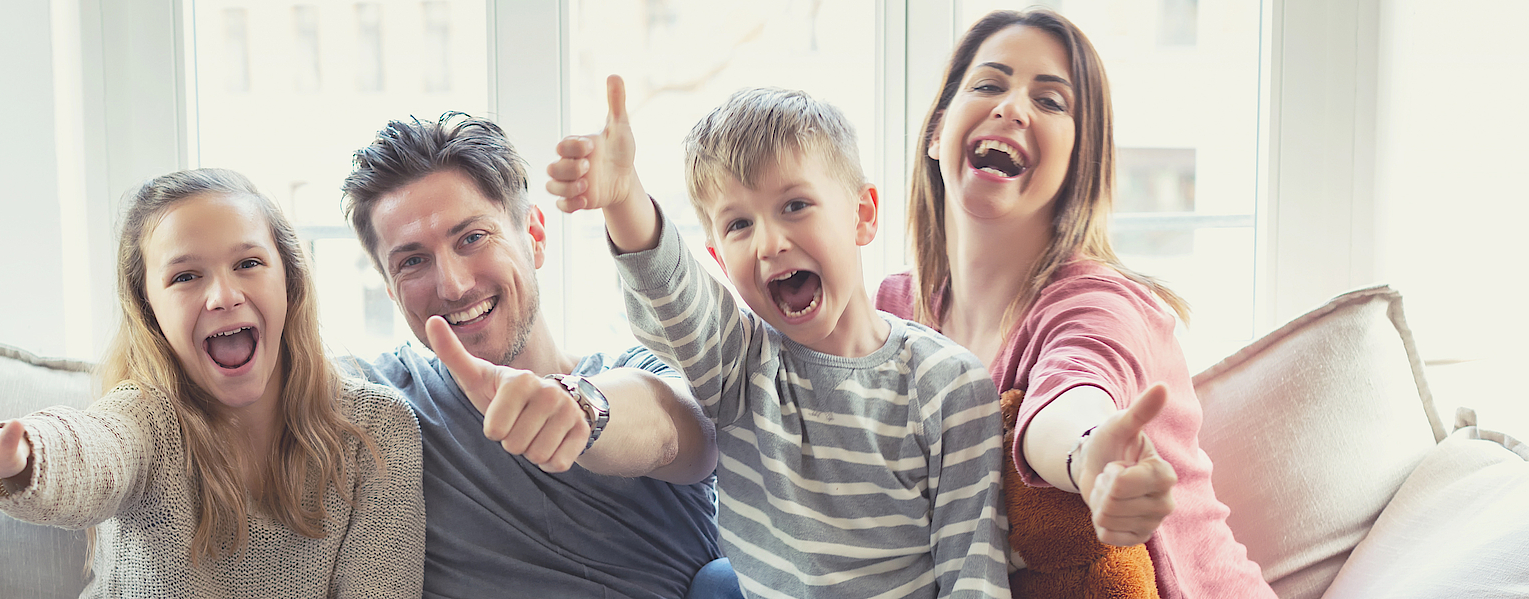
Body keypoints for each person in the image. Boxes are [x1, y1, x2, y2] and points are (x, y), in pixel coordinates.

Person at [0, 169, 424, 597]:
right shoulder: (146, 421)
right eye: (185, 275)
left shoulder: (377, 430)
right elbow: (80, 450)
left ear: (290, 280)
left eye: (248, 262)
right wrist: (13, 454)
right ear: (149, 307)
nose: (221, 294)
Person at [549, 78, 1009, 597]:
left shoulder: (950, 385)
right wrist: (623, 199)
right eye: (739, 225)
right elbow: (672, 291)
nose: (769, 242)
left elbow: (974, 574)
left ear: (863, 215)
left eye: (795, 206)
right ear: (720, 258)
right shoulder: (740, 362)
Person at [878, 8, 1272, 597]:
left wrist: (1090, 458)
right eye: (989, 84)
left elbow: (1073, 392)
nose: (1012, 107)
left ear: (1077, 163)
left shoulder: (1101, 303)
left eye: (1052, 100)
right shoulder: (893, 308)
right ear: (937, 133)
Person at [337, 112, 734, 599]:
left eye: (472, 238)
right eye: (413, 261)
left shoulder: (638, 372)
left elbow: (680, 435)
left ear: (535, 236)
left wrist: (579, 407)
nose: (454, 285)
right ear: (390, 288)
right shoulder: (378, 403)